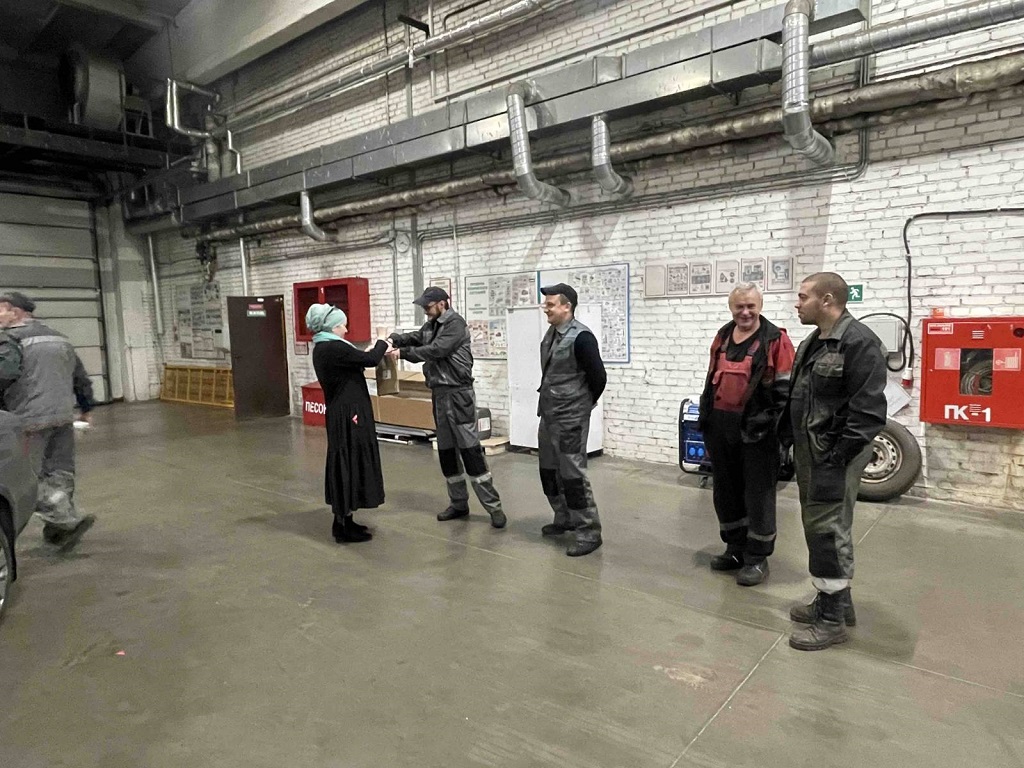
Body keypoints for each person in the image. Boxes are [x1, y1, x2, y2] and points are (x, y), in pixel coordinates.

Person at [784, 272, 887, 651]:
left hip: (832, 456)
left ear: (827, 300)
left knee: (827, 532)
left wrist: (835, 457)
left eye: (803, 297)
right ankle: (838, 603)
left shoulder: (859, 343)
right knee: (821, 527)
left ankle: (831, 621)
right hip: (812, 454)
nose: (797, 303)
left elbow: (869, 413)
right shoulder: (814, 342)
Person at [698, 282, 795, 586]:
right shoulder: (723, 336)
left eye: (751, 306)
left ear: (760, 306)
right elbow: (711, 379)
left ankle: (757, 558)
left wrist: (778, 433)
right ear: (731, 307)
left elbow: (786, 390)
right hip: (721, 427)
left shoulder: (775, 340)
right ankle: (735, 549)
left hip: (759, 431)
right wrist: (706, 418)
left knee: (758, 495)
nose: (745, 312)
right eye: (739, 306)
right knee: (725, 492)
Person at [387, 287, 505, 528]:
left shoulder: (455, 325)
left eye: (428, 306)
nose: (425, 310)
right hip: (439, 396)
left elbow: (436, 350)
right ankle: (459, 503)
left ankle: (494, 507)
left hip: (459, 395)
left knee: (471, 452)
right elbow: (416, 337)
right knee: (447, 454)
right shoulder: (431, 325)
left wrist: (402, 354)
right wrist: (393, 339)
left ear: (442, 303)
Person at [0, 291, 95, 549]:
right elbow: (80, 377)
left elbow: (4, 375)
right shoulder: (59, 338)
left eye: (0, 310)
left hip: (27, 421)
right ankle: (59, 528)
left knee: (23, 479)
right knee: (60, 472)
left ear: (15, 312)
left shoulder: (9, 340)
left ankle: (63, 519)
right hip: (63, 417)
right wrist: (86, 407)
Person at [308, 303, 392, 544]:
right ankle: (342, 526)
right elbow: (371, 360)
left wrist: (369, 351)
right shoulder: (332, 347)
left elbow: (356, 360)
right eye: (342, 325)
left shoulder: (326, 347)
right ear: (332, 327)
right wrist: (383, 340)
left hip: (343, 411)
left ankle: (345, 518)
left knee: (349, 462)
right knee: (349, 462)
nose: (346, 330)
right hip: (348, 414)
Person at [537, 283, 607, 557]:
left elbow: (598, 377)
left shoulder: (582, 337)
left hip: (570, 417)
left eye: (550, 304)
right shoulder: (552, 334)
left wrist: (581, 405)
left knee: (573, 475)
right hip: (549, 413)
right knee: (548, 470)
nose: (546, 308)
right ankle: (564, 516)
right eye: (546, 304)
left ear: (567, 306)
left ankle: (589, 531)